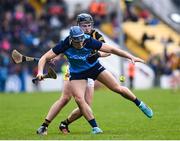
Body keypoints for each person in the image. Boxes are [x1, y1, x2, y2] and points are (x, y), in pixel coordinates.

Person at [36, 26, 153, 134]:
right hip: (77, 73)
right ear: (71, 39)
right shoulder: (64, 44)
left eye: (81, 40)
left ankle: (141, 104)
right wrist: (40, 72)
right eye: (77, 41)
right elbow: (44, 58)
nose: (81, 43)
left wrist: (130, 56)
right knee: (79, 99)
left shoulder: (88, 40)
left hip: (94, 68)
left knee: (117, 88)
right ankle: (95, 127)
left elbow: (111, 49)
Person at [36, 13, 110, 135]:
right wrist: (56, 57)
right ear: (78, 25)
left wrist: (98, 54)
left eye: (89, 25)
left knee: (86, 106)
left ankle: (65, 123)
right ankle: (44, 126)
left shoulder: (96, 36)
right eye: (84, 25)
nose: (87, 28)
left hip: (90, 69)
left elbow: (108, 51)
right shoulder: (72, 36)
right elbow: (62, 49)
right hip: (74, 71)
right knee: (65, 98)